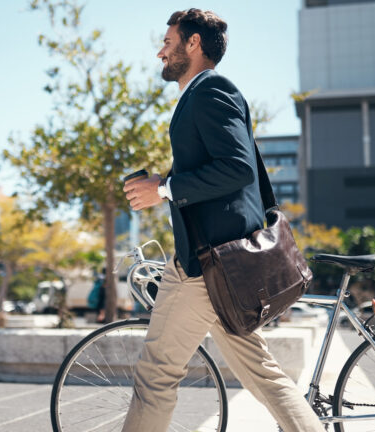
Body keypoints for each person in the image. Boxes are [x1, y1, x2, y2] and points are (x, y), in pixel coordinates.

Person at [122, 9, 324, 432]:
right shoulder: (202, 95)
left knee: (156, 374)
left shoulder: (211, 90)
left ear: (193, 44)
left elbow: (237, 168)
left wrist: (164, 188)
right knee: (266, 377)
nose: (161, 51)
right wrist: (165, 187)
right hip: (223, 267)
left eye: (168, 41)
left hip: (203, 266)